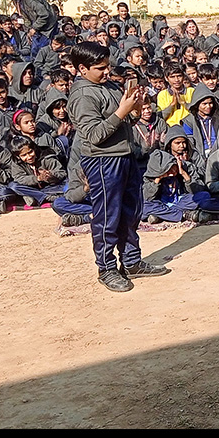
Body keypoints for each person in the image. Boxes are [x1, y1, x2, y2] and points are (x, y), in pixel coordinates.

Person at [67, 41, 169, 292]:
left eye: (107, 66)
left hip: (125, 155)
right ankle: (106, 268)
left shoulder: (110, 86)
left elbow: (125, 122)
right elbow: (93, 135)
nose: (107, 72)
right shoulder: (83, 96)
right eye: (100, 68)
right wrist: (122, 111)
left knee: (131, 211)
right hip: (102, 160)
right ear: (82, 69)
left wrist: (135, 109)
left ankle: (131, 261)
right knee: (107, 215)